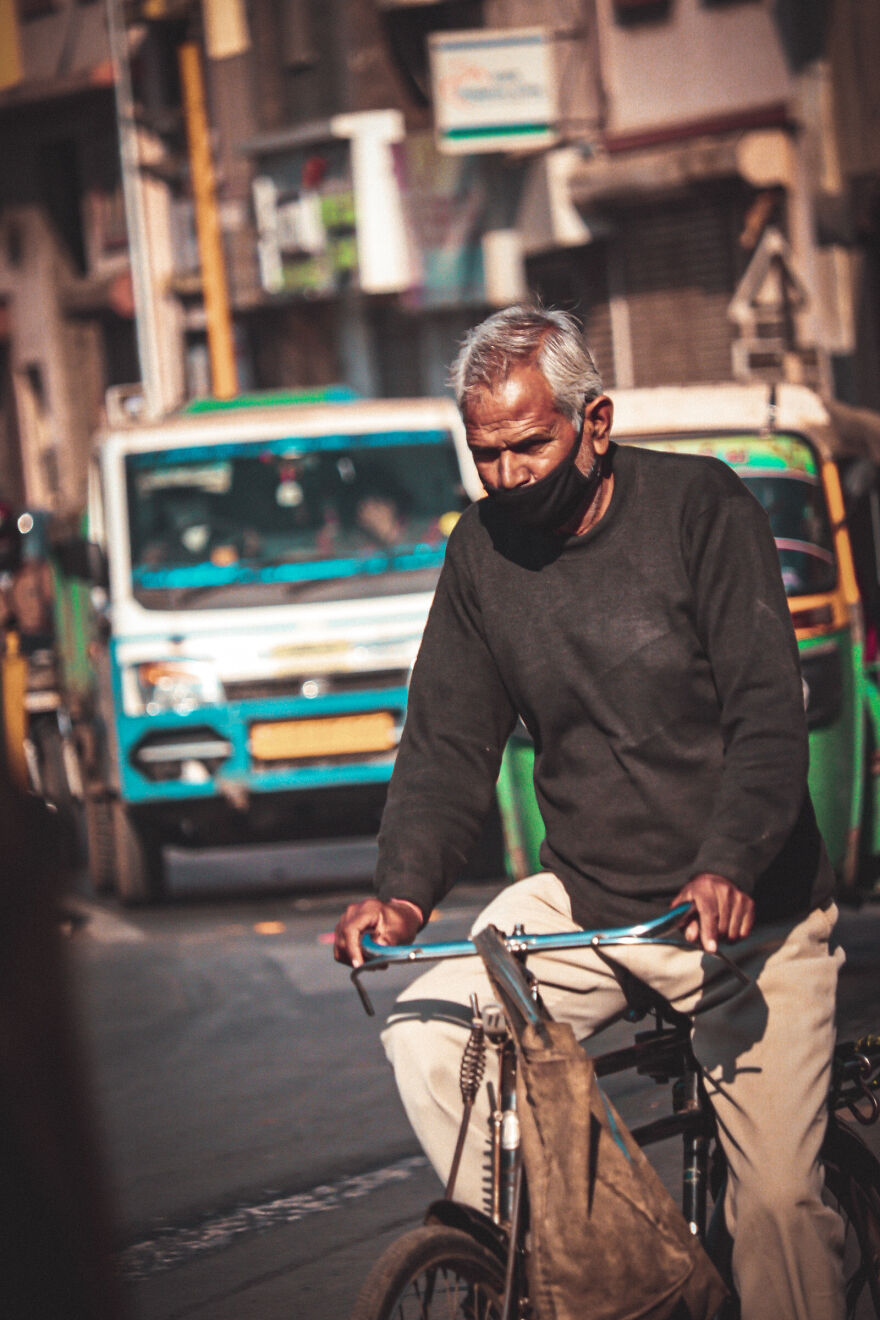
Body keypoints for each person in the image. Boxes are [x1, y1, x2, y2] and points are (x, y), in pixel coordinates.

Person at [334, 306, 844, 1320]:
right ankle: (606, 1271)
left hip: (749, 918)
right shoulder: (479, 556)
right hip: (592, 903)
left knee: (780, 1207)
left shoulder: (702, 510)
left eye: (531, 445)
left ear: (593, 423)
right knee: (430, 1030)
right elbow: (446, 746)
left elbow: (764, 720)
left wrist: (729, 861)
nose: (510, 474)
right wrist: (397, 898)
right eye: (488, 455)